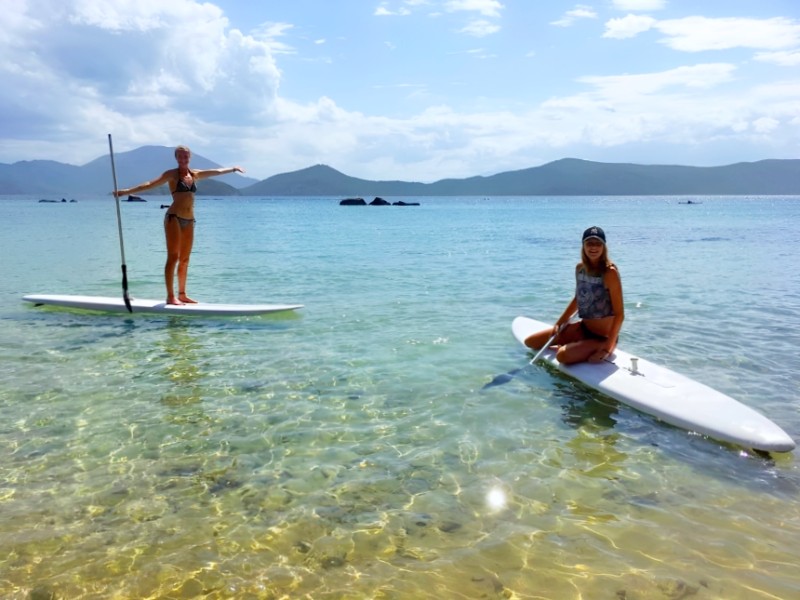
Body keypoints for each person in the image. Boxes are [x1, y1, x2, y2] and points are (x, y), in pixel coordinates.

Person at [113, 146, 245, 305]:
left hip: (190, 220)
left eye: (186, 156)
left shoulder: (195, 174)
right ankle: (170, 296)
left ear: (190, 157)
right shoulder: (171, 175)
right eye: (180, 157)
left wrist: (233, 169)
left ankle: (182, 294)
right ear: (176, 158)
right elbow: (149, 184)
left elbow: (215, 172)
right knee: (173, 257)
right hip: (174, 217)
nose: (183, 159)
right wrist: (126, 191)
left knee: (185, 259)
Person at [525, 226, 624, 364]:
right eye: (589, 243)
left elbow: (620, 314)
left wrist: (607, 349)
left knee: (562, 356)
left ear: (604, 247)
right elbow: (579, 298)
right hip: (583, 329)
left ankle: (597, 346)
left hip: (602, 337)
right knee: (531, 342)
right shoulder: (580, 269)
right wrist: (559, 323)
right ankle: (578, 344)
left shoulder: (610, 273)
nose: (593, 247)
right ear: (583, 245)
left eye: (598, 243)